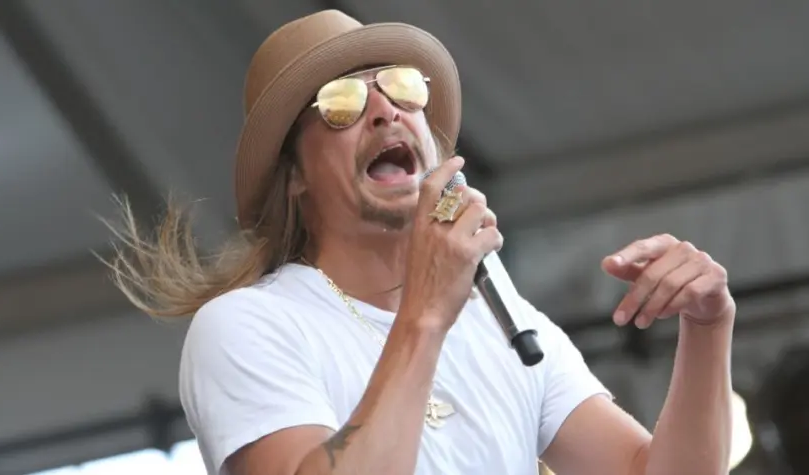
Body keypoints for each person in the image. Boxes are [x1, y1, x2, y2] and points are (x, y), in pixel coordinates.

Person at [104, 9, 736, 475]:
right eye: (341, 102)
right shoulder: (250, 325)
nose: (384, 110)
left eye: (401, 87)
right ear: (293, 176)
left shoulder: (499, 316)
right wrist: (427, 312)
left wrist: (708, 329)